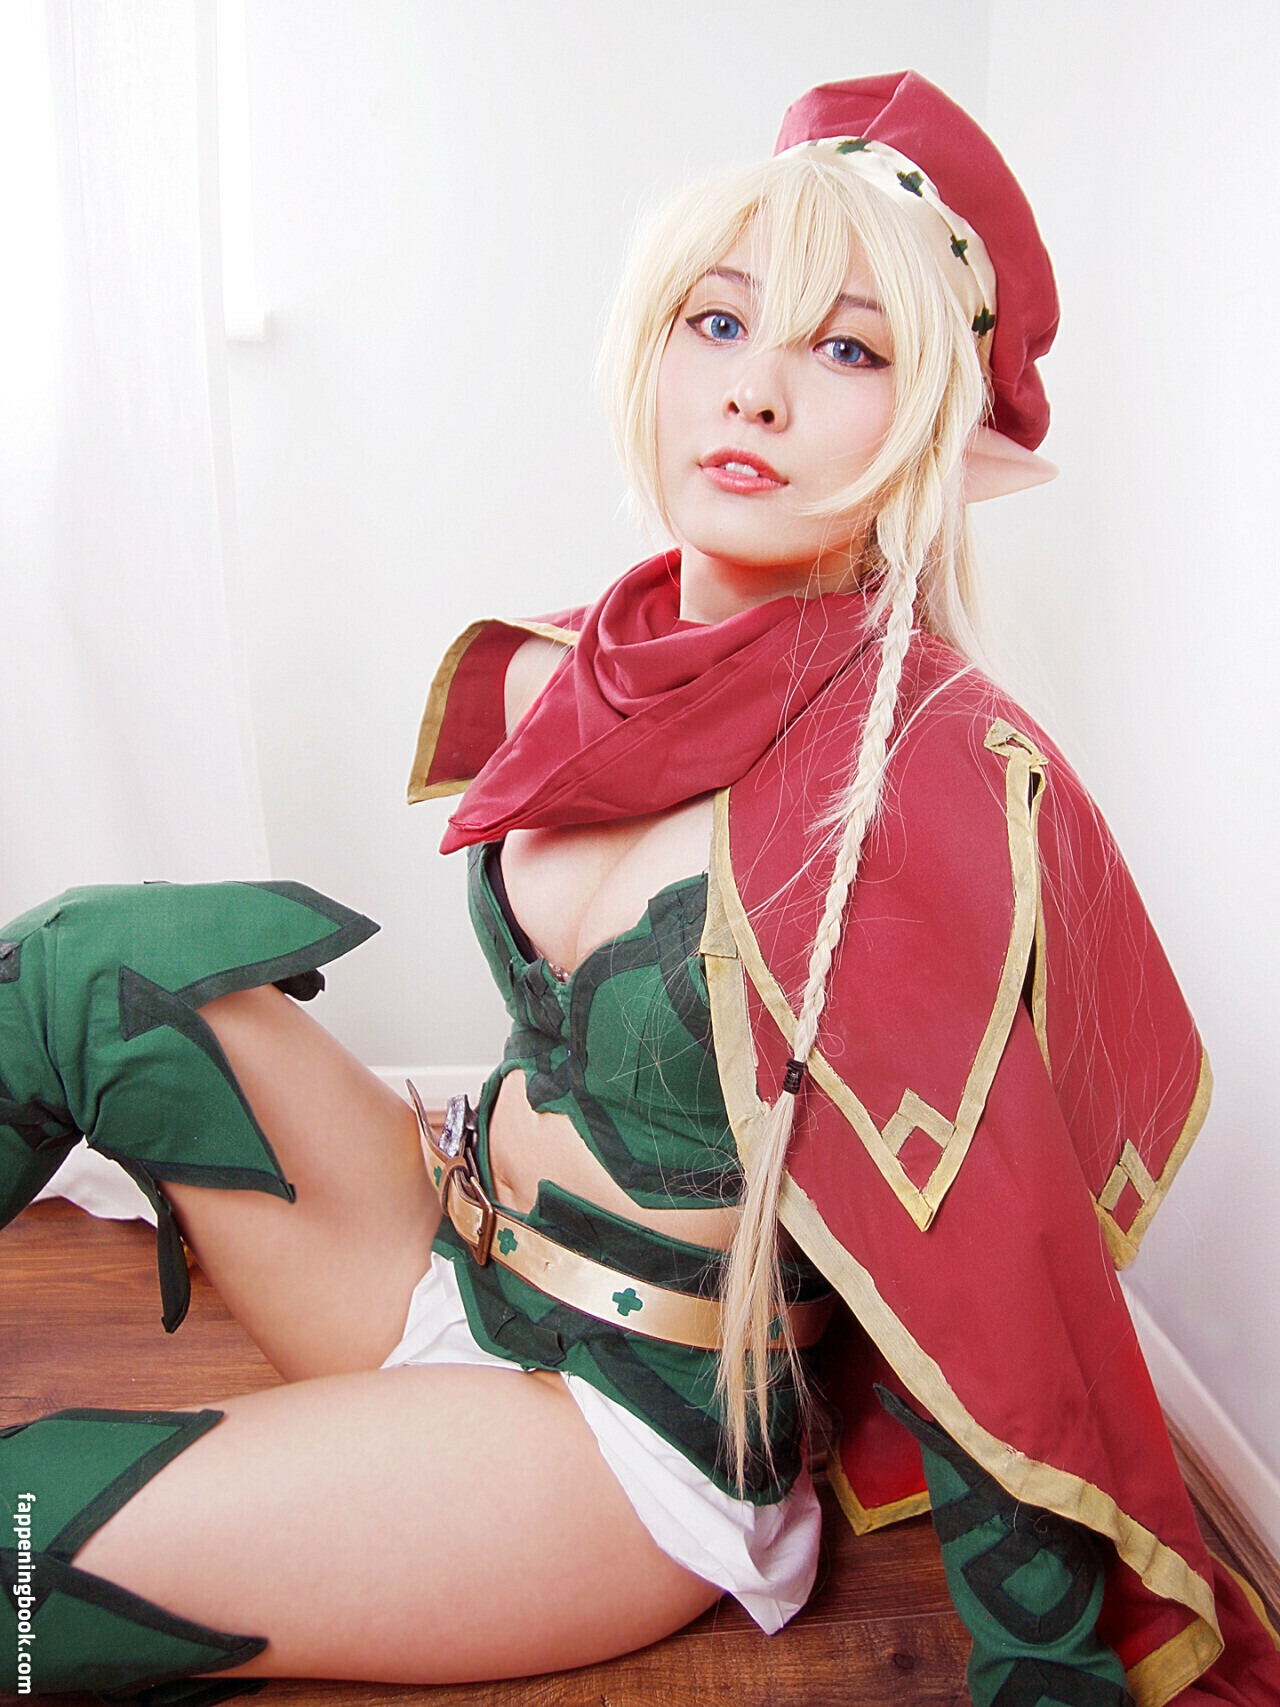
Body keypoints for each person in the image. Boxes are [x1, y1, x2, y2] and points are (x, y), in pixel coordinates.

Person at [1, 69, 1276, 1707]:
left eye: (846, 351)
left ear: (928, 427)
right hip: (453, 1254)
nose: (753, 392)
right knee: (88, 964)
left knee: (26, 1541)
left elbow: (995, 1279)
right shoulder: (606, 661)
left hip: (628, 1435)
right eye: (719, 322)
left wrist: (1048, 1665)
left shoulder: (914, 786)